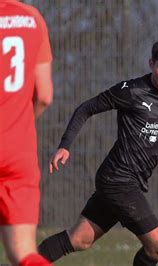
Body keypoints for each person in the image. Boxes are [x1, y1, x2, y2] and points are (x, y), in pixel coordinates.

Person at [37, 38, 158, 266]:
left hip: (128, 183)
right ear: (151, 63)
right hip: (118, 180)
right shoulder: (132, 91)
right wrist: (64, 146)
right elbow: (86, 108)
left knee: (79, 239)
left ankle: (24, 261)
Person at [0, 1, 54, 265]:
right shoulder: (32, 18)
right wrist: (16, 126)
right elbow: (44, 96)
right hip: (18, 152)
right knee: (23, 254)